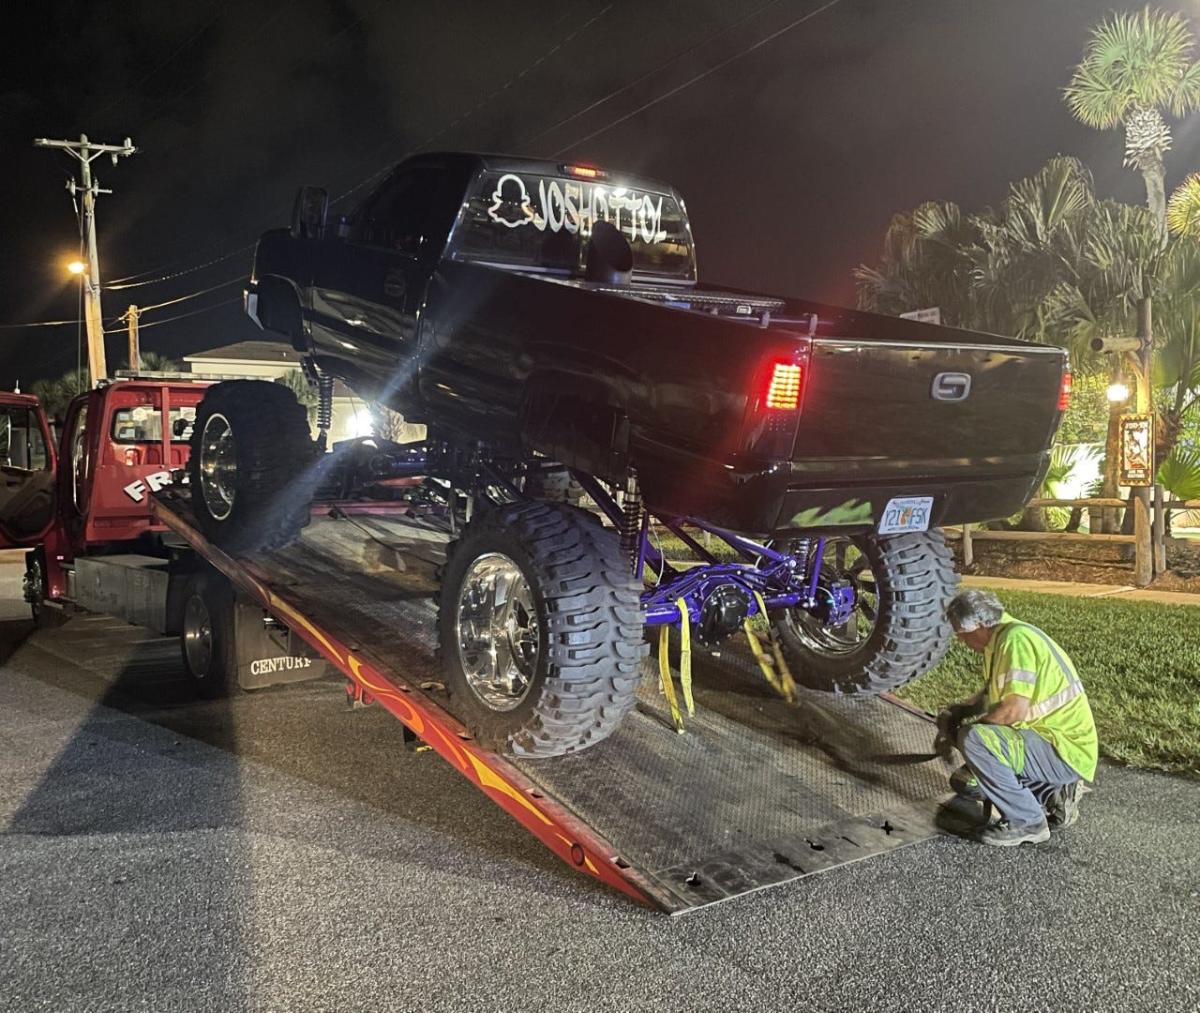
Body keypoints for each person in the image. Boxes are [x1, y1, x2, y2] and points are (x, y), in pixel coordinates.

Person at [939, 589, 1098, 847]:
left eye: (961, 632)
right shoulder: (1001, 641)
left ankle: (1028, 822)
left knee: (975, 739)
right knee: (967, 783)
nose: (960, 640)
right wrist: (959, 712)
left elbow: (1013, 711)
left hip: (1061, 748)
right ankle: (1053, 794)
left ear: (979, 625)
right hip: (1044, 745)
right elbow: (992, 697)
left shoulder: (1016, 641)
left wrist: (966, 735)